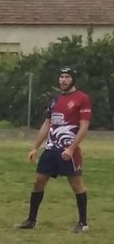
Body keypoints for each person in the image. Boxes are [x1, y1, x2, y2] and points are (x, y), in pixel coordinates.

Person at [18, 67, 92, 233]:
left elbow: (84, 127)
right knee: (38, 181)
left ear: (73, 79)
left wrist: (71, 149)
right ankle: (31, 220)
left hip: (68, 150)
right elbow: (47, 124)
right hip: (51, 149)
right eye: (61, 77)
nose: (63, 80)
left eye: (67, 77)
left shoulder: (82, 98)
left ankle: (83, 223)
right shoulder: (54, 99)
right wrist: (35, 147)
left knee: (76, 185)